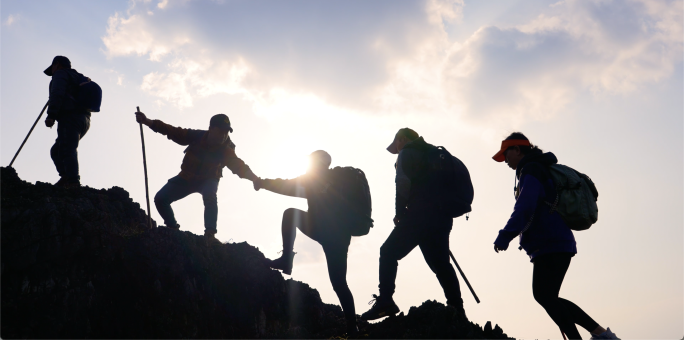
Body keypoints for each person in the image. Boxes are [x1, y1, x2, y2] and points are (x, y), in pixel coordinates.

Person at [492, 132, 618, 340]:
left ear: (517, 149)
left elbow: (525, 206)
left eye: (506, 154)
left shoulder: (531, 169)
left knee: (544, 296)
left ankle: (598, 336)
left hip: (549, 242)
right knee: (549, 297)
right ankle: (602, 334)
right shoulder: (539, 167)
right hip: (558, 242)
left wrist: (505, 235)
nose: (504, 160)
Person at [361, 128, 467, 321]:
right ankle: (457, 309)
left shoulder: (407, 152)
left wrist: (399, 212)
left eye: (397, 144)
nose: (397, 149)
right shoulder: (435, 154)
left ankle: (386, 301)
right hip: (443, 216)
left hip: (419, 214)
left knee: (388, 252)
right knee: (441, 264)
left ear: (403, 139)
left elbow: (402, 183)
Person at [253, 151, 361, 335]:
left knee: (290, 215)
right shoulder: (337, 180)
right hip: (340, 236)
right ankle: (353, 329)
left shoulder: (313, 179)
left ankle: (286, 259)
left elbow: (286, 186)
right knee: (340, 283)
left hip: (320, 229)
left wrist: (262, 183)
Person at [135, 111, 258, 240]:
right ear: (211, 129)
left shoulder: (226, 149)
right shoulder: (196, 136)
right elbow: (172, 131)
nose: (224, 135)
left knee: (210, 196)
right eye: (221, 131)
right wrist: (147, 121)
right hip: (187, 177)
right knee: (160, 199)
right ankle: (173, 229)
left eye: (226, 132)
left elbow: (239, 166)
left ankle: (210, 234)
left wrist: (255, 179)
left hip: (209, 179)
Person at [44, 56, 92, 189]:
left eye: (52, 68)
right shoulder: (78, 76)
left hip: (70, 117)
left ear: (57, 64)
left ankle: (73, 182)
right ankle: (66, 177)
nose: (52, 72)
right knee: (56, 150)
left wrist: (51, 115)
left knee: (67, 149)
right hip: (84, 120)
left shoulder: (61, 74)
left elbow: (57, 93)